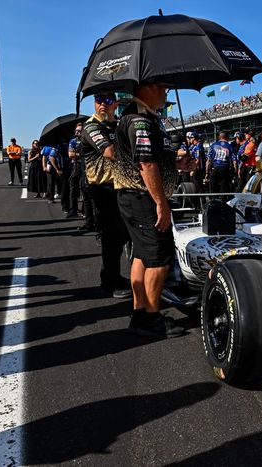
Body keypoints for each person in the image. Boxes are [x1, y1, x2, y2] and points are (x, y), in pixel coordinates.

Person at [114, 82, 195, 337]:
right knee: (160, 257)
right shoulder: (139, 120)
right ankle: (150, 317)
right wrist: (161, 202)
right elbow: (146, 164)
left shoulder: (147, 117)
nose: (166, 92)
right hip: (142, 197)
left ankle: (141, 313)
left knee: (142, 254)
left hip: (136, 196)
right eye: (161, 87)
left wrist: (177, 163)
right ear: (147, 88)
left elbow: (154, 159)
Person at [81, 92, 131, 299]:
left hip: (121, 185)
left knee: (122, 236)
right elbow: (110, 152)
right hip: (102, 188)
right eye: (99, 100)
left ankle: (116, 276)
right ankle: (109, 281)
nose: (103, 105)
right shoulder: (91, 126)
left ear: (116, 104)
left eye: (108, 101)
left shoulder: (118, 125)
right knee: (111, 237)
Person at [66, 124, 84, 218]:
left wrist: (77, 154)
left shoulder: (86, 140)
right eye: (76, 130)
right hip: (76, 166)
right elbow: (70, 154)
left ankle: (84, 210)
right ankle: (73, 210)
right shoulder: (73, 141)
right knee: (73, 187)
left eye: (79, 131)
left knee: (84, 188)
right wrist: (81, 154)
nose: (77, 132)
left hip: (85, 166)